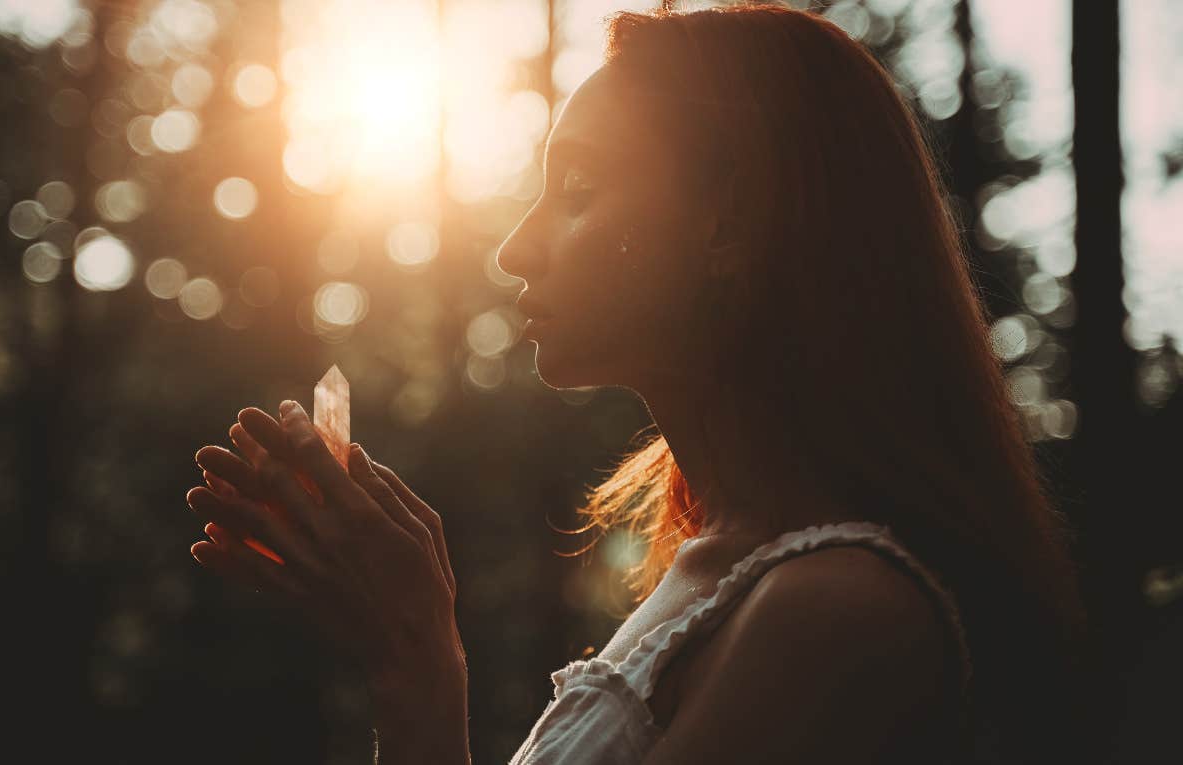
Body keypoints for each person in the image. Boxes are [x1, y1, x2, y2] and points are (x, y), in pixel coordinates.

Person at [185, 2, 1092, 763]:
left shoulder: (842, 613)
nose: (515, 248)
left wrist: (415, 662)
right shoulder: (711, 575)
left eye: (577, 188)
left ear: (728, 225)